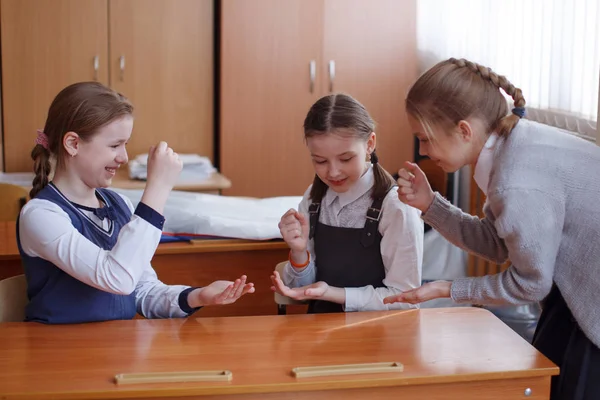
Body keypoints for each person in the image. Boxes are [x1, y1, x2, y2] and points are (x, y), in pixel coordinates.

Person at [384, 58, 600, 399]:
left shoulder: (516, 181)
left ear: (464, 130)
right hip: (574, 294)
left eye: (424, 139)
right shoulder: (514, 143)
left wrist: (448, 289)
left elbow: (530, 285)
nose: (422, 151)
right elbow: (500, 243)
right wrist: (430, 205)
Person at [18, 82, 254, 324]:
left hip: (117, 350)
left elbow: (141, 290)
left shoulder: (119, 204)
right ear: (73, 144)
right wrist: (158, 188)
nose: (124, 157)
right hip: (59, 354)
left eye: (125, 145)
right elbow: (117, 278)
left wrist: (196, 296)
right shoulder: (41, 215)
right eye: (114, 145)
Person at [270, 93, 423, 313]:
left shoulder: (396, 207)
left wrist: (334, 294)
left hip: (378, 336)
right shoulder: (315, 197)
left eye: (346, 159)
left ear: (370, 144)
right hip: (320, 333)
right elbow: (301, 291)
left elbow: (405, 299)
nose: (333, 172)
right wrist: (299, 253)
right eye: (320, 161)